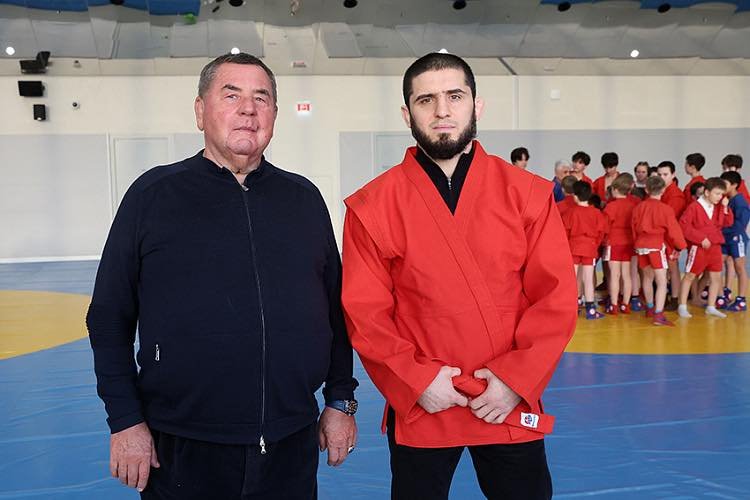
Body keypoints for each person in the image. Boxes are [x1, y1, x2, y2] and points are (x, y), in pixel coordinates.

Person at [86, 53, 358, 499]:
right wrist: (125, 421)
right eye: (231, 96)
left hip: (291, 443)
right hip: (183, 445)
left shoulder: (304, 199)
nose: (248, 109)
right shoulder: (152, 196)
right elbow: (107, 318)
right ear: (200, 111)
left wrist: (340, 400)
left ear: (274, 115)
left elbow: (335, 312)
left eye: (261, 98)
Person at [341, 52, 577, 500]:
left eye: (455, 96)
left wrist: (514, 381)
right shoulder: (373, 205)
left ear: (476, 105)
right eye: (426, 100)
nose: (442, 110)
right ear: (407, 114)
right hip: (425, 398)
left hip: (504, 396)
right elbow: (365, 312)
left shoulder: (526, 194)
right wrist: (418, 382)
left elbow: (556, 297)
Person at [631, 176, 686, 326]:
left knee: (647, 277)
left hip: (641, 245)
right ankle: (658, 314)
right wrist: (679, 246)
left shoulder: (639, 207)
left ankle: (650, 308)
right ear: (663, 190)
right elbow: (673, 230)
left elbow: (633, 227)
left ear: (646, 189)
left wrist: (636, 244)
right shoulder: (665, 209)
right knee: (661, 281)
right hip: (656, 245)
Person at [677, 177, 734, 319]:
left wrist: (725, 207)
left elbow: (728, 222)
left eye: (721, 194)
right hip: (698, 248)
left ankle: (711, 306)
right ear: (707, 192)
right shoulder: (694, 207)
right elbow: (683, 225)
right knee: (690, 275)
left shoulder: (719, 207)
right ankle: (682, 306)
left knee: (716, 277)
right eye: (717, 194)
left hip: (715, 247)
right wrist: (700, 238)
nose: (719, 197)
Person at [562, 181, 607, 320]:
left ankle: (572, 307)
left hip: (573, 247)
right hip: (590, 248)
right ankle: (590, 309)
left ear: (575, 196)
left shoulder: (571, 212)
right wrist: (595, 244)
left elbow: (565, 231)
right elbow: (601, 232)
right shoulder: (596, 213)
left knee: (572, 279)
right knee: (588, 279)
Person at [602, 174, 637, 315]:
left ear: (615, 189)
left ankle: (614, 304)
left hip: (614, 242)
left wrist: (603, 240)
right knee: (627, 275)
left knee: (614, 275)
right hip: (629, 242)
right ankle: (625, 304)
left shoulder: (611, 207)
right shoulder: (633, 206)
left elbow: (605, 226)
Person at [657, 161, 687, 311]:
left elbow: (671, 221)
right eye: (660, 174)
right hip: (660, 236)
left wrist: (676, 244)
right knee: (664, 269)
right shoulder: (661, 191)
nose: (662, 177)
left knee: (672, 268)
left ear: (673, 175)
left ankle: (675, 298)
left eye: (665, 174)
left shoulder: (676, 196)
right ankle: (668, 296)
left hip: (670, 238)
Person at [719, 171, 749, 312]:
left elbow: (741, 224)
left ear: (734, 185)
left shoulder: (740, 201)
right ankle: (723, 294)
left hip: (737, 239)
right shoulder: (727, 199)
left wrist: (723, 230)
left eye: (725, 184)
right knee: (718, 264)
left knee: (739, 267)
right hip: (725, 239)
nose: (722, 186)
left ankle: (741, 299)